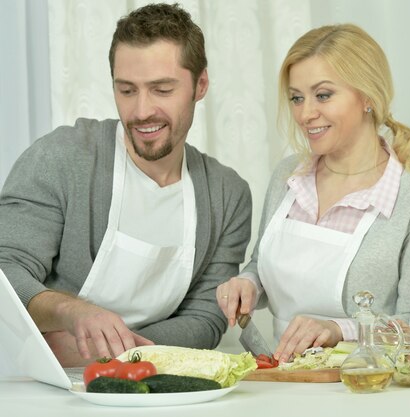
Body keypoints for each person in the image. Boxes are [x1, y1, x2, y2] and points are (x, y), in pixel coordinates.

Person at [0, 3, 252, 367]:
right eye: (127, 90)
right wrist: (73, 312)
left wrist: (113, 352)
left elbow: (206, 318)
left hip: (151, 377)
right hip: (43, 377)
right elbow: (6, 270)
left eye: (162, 89)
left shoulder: (227, 195)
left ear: (200, 85)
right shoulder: (63, 157)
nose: (141, 111)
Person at [217, 23, 410, 363]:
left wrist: (339, 329)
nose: (306, 113)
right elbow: (259, 264)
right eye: (297, 98)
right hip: (282, 377)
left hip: (368, 384)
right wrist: (247, 283)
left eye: (323, 95)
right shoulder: (288, 176)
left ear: (367, 96)